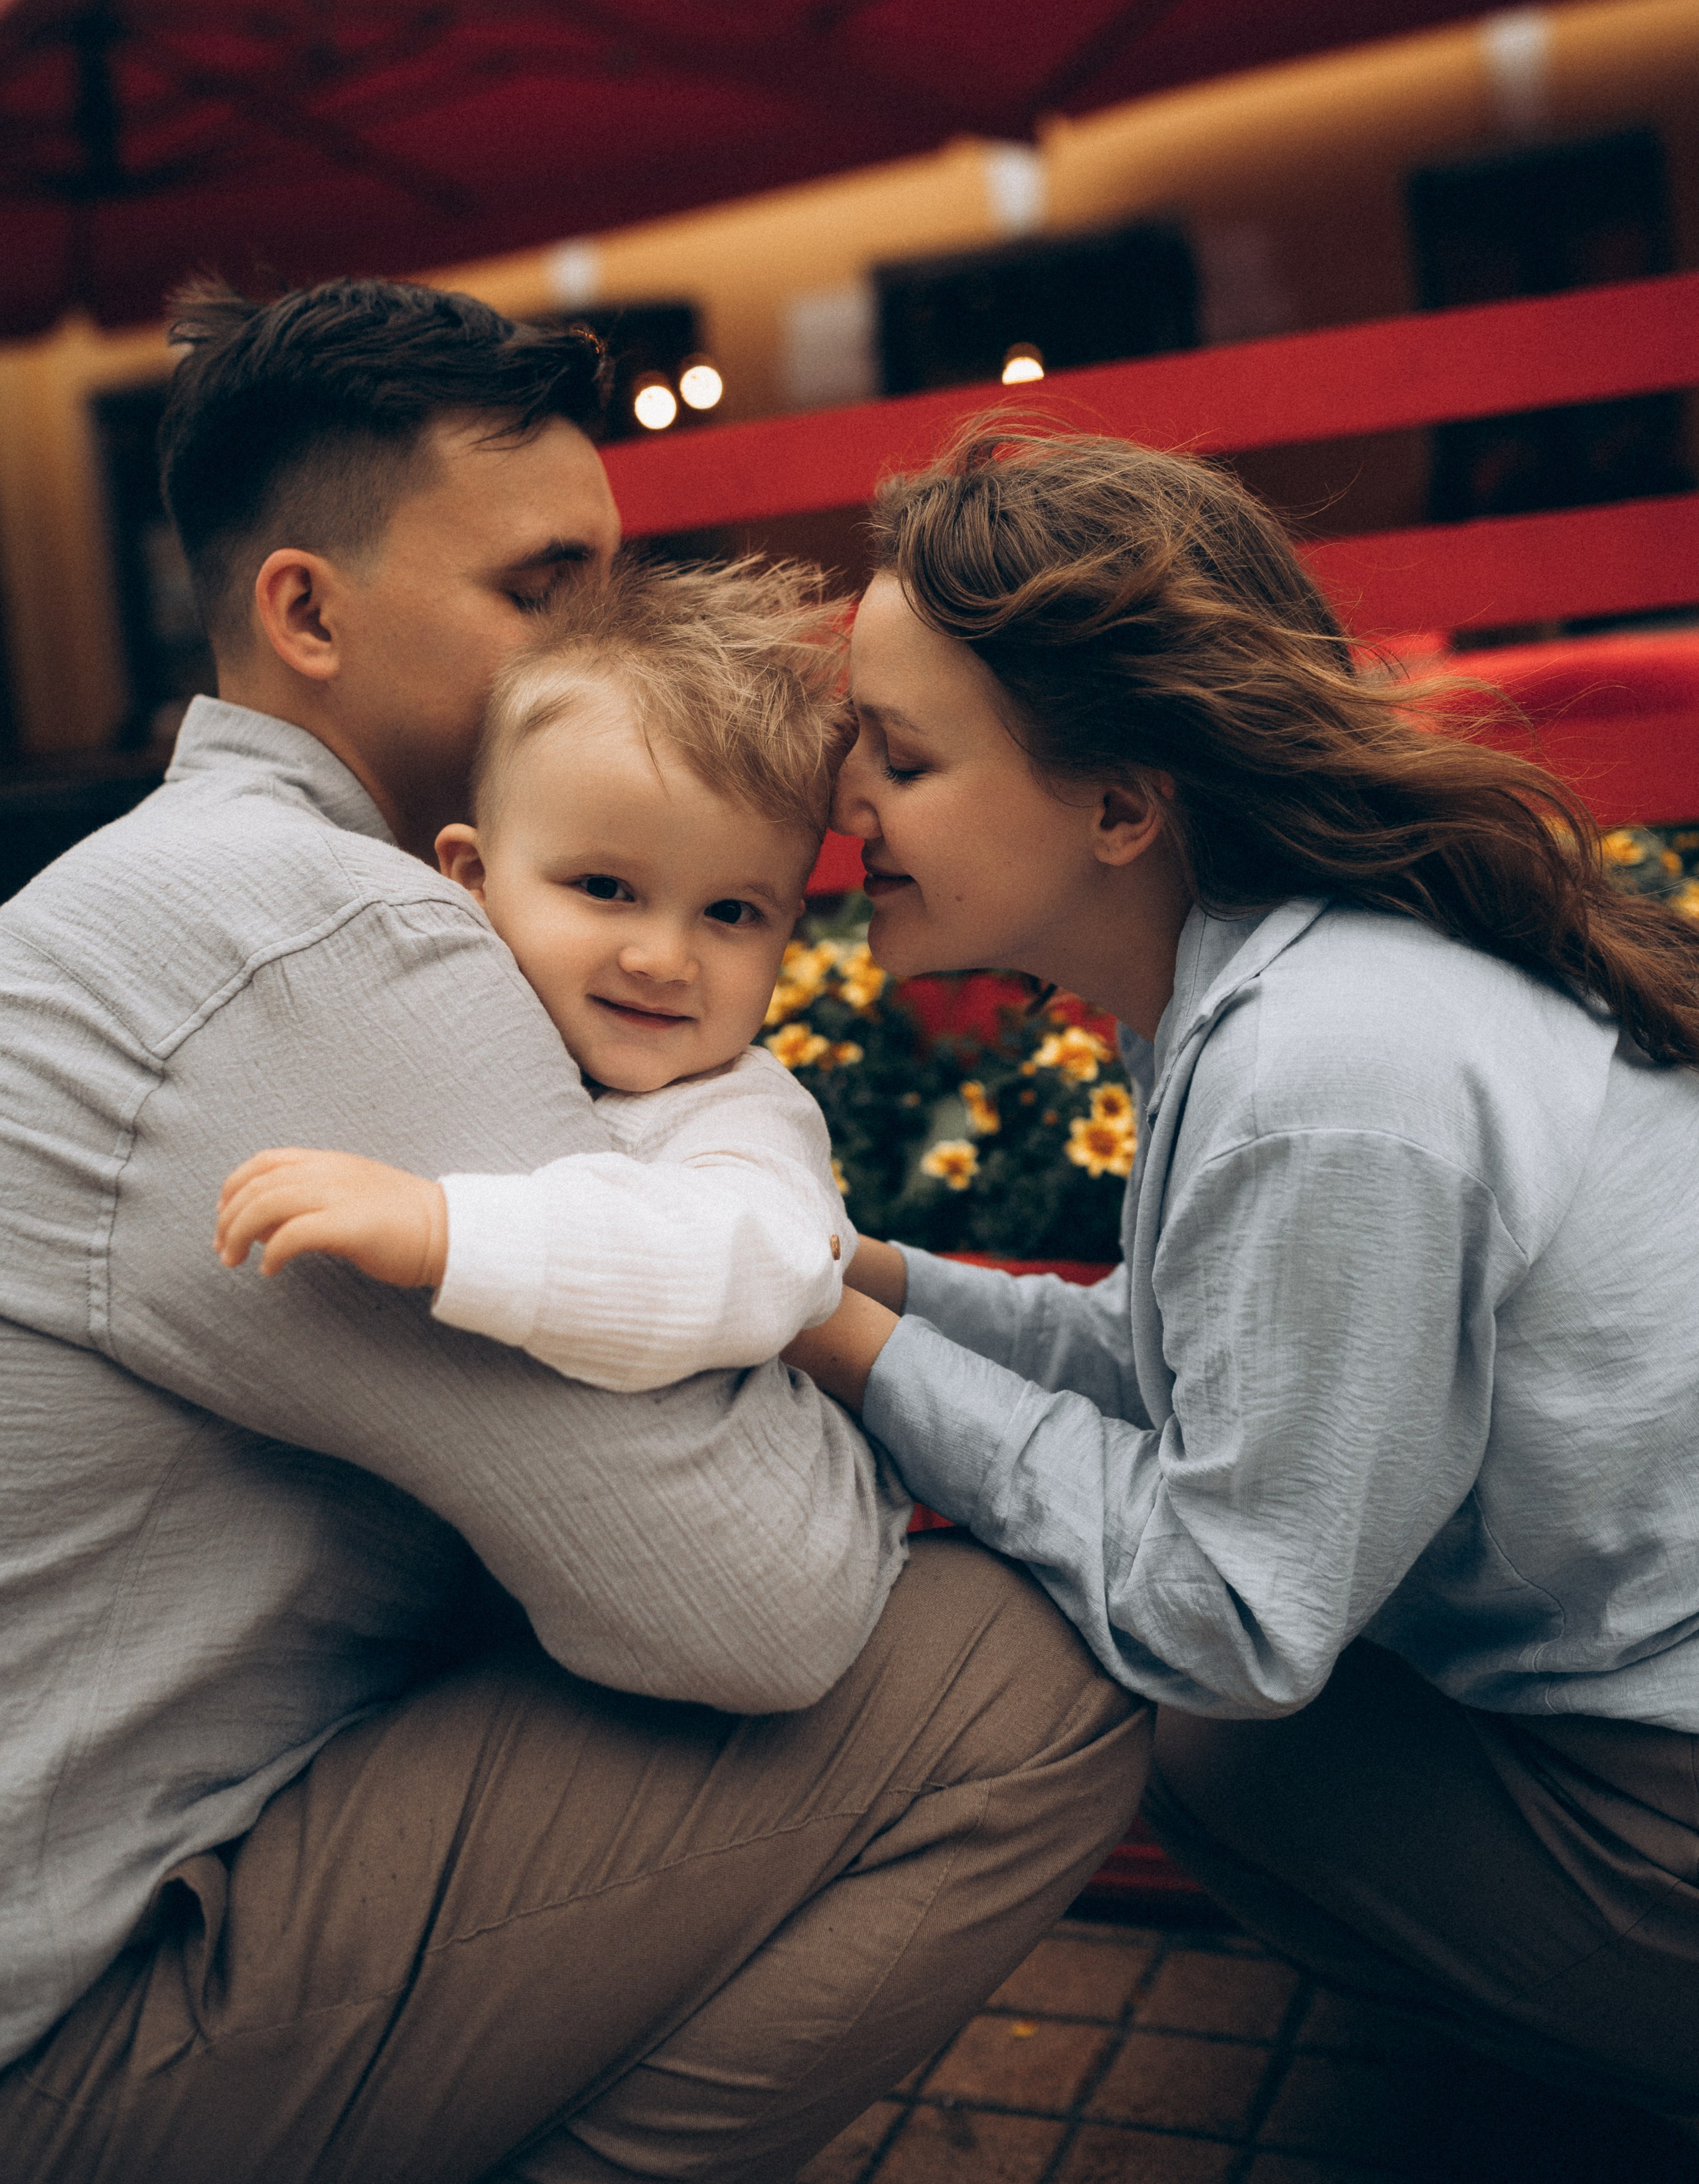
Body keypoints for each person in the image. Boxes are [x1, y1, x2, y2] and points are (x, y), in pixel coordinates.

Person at [0, 293, 1143, 2184]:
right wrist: (810, 1405)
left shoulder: (173, 884)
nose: (606, 643)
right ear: (306, 614)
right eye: (547, 587)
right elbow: (757, 1612)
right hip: (79, 2038)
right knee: (1031, 1668)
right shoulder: (316, 937)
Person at [789, 419, 1699, 2132]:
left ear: (1123, 804)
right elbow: (1176, 1358)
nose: (845, 807)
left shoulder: (1326, 1070)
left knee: (1218, 1752)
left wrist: (839, 1345)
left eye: (900, 761)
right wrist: (869, 1280)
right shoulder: (1286, 983)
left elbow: (1235, 1615)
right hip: (1636, 1715)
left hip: (1665, 1784)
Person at [214, 557, 860, 1386]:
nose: (663, 959)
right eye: (604, 888)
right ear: (472, 878)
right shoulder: (432, 1013)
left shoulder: (738, 1114)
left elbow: (743, 1266)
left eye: (732, 912)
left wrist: (443, 1230)